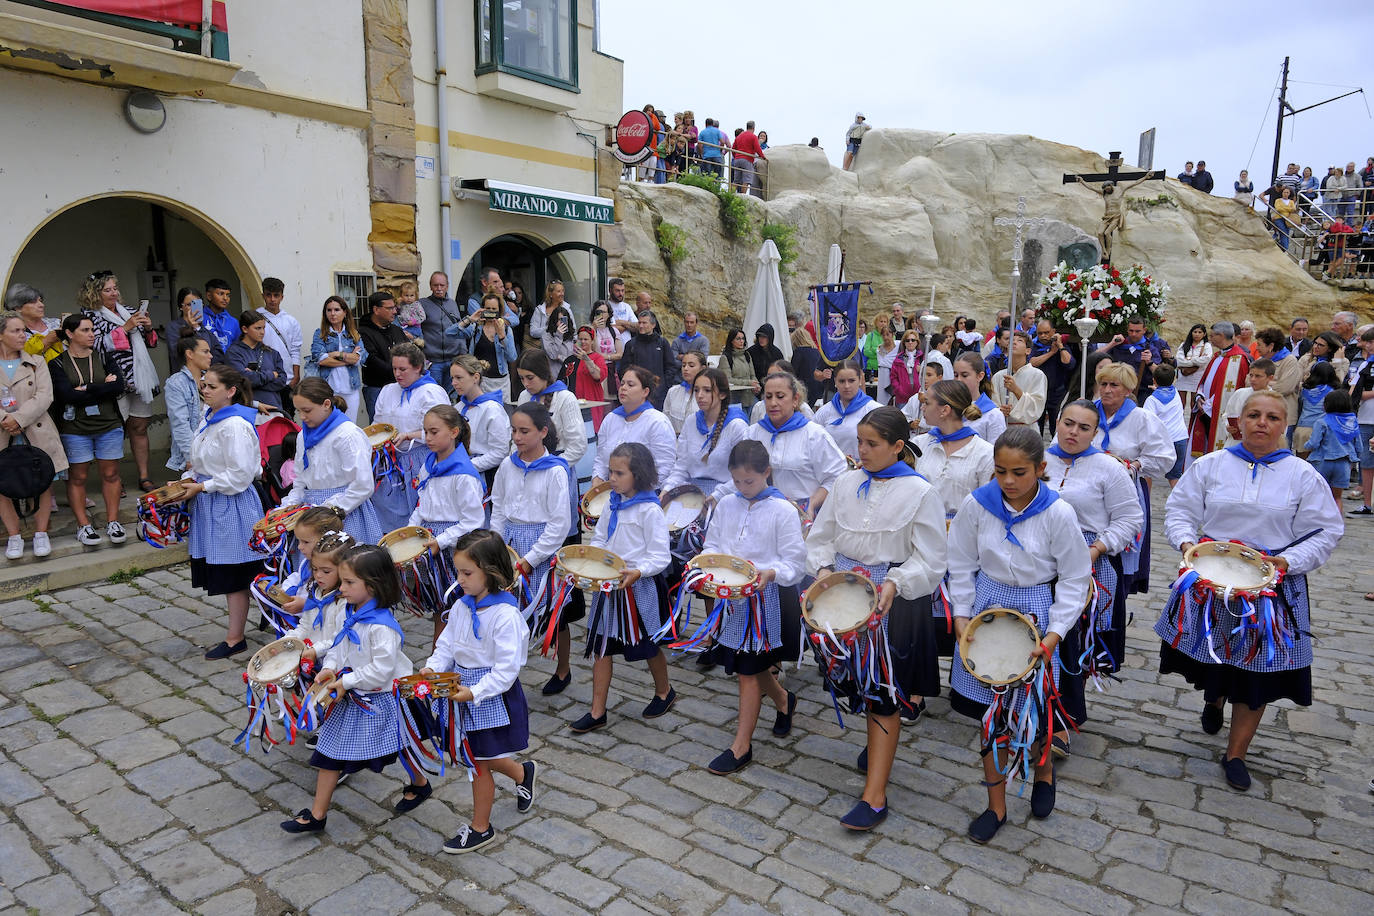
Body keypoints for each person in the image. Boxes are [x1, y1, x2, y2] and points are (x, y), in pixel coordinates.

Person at [1155, 390, 1342, 792]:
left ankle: (1236, 753)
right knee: (1217, 658)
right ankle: (1214, 698)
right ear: (1238, 422)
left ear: (1284, 426)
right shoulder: (1211, 465)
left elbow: (1326, 531)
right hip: (1212, 581)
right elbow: (1181, 510)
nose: (1262, 422)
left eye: (1272, 417)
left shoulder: (1302, 475)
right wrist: (1187, 544)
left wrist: (1287, 562)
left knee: (1256, 671)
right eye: (1253, 415)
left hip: (1270, 590)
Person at [948, 426, 1092, 843]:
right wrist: (961, 616)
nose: (1008, 482)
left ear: (1041, 469)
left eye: (1019, 472)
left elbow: (1074, 579)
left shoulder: (1059, 513)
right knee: (991, 716)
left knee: (1036, 709)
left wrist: (1054, 634)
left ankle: (1043, 771)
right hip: (986, 608)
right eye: (1000, 472)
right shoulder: (978, 505)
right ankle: (996, 806)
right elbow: (959, 562)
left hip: (1037, 611)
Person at [806, 407, 946, 828]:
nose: (861, 452)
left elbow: (932, 558)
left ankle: (875, 795)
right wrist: (825, 570)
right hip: (844, 597)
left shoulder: (922, 492)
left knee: (885, 689)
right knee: (860, 684)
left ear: (898, 447)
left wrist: (897, 582)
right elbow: (822, 536)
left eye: (872, 444)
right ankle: (875, 743)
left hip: (893, 602)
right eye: (859, 443)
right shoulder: (846, 482)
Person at [280, 545, 429, 833]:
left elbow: (381, 671)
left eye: (349, 582)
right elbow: (339, 645)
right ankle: (317, 815)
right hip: (354, 693)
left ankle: (421, 784)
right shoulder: (351, 612)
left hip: (383, 699)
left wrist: (345, 681)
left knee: (400, 747)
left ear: (372, 586)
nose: (342, 587)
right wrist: (329, 668)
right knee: (330, 752)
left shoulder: (381, 628)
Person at [420, 530, 537, 852]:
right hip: (460, 690)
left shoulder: (505, 616)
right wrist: (433, 666)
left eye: (467, 573)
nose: (459, 580)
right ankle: (522, 772)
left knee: (478, 763)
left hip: (489, 696)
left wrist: (474, 692)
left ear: (493, 572)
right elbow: (447, 645)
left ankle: (481, 828)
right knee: (476, 754)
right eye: (457, 572)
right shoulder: (461, 606)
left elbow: (507, 670)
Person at [701, 439, 806, 774]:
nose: (743, 488)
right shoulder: (727, 505)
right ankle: (783, 700)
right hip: (730, 598)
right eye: (737, 482)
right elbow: (713, 545)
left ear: (767, 473)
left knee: (746, 670)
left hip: (767, 601)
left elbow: (795, 565)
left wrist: (770, 572)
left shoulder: (783, 510)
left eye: (750, 481)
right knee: (750, 664)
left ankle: (741, 746)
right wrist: (705, 568)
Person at [1044, 401, 1144, 746]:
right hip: (1040, 560)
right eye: (1068, 423)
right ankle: (1032, 707)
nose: (1073, 432)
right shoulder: (1039, 459)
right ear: (1057, 422)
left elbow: (1131, 518)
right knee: (1042, 633)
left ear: (1095, 432)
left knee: (1075, 642)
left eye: (1083, 428)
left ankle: (1062, 718)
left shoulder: (1108, 468)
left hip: (1090, 564)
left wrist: (1095, 549)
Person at [571, 442, 676, 733]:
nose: (612, 479)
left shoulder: (650, 511)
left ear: (638, 475)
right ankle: (597, 711)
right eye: (610, 472)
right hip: (610, 587)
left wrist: (638, 570)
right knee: (602, 647)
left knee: (647, 646)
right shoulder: (611, 503)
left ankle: (665, 691)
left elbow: (660, 556)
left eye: (619, 473)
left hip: (638, 590)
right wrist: (596, 562)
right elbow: (600, 538)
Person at [174, 365, 263, 660]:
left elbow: (240, 475)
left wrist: (202, 487)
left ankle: (236, 638)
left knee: (235, 572)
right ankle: (266, 612)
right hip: (212, 502)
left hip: (232, 504)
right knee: (236, 571)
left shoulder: (235, 425)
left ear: (231, 391)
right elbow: (202, 462)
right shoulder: (209, 417)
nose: (205, 390)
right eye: (203, 385)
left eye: (211, 386)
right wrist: (187, 481)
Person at [1093, 362, 1175, 597]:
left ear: (1128, 390)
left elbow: (1164, 456)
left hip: (1126, 491)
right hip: (1089, 491)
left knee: (1118, 552)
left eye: (1114, 385)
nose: (1107, 390)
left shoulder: (1142, 419)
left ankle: (1115, 599)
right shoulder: (1087, 413)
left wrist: (1135, 465)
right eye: (1103, 384)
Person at [722, 372, 845, 525]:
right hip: (759, 514)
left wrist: (813, 503)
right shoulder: (753, 433)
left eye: (780, 396)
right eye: (768, 397)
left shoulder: (814, 435)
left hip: (803, 515)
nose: (773, 403)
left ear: (795, 400)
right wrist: (716, 497)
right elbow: (739, 475)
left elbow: (836, 477)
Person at [49, 314, 125, 547]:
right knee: (78, 476)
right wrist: (103, 386)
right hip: (75, 427)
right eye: (85, 330)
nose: (92, 334)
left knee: (110, 474)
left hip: (109, 424)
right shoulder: (58, 363)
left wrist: (88, 388)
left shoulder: (104, 356)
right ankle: (84, 525)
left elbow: (119, 387)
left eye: (93, 330)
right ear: (70, 334)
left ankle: (113, 521)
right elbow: (67, 395)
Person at [410, 405, 485, 641]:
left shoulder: (463, 474)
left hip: (453, 546)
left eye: (434, 432)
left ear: (454, 432)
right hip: (429, 540)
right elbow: (422, 505)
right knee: (439, 606)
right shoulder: (428, 464)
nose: (428, 438)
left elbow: (473, 520)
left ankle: (452, 654)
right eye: (425, 432)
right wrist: (410, 531)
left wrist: (440, 541)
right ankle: (440, 655)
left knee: (454, 605)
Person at [80, 271, 159, 492]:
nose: (114, 293)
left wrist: (148, 327)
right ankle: (114, 480)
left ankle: (144, 476)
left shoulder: (131, 311)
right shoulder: (90, 316)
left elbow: (151, 343)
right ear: (95, 293)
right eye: (107, 290)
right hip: (113, 377)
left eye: (115, 288)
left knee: (140, 426)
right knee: (116, 429)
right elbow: (94, 345)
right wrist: (125, 328)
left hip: (140, 376)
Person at [281, 378, 384, 543]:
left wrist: (328, 511)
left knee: (343, 563)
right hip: (311, 514)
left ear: (326, 404)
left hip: (343, 513)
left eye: (307, 410)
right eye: (298, 410)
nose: (302, 417)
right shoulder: (303, 436)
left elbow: (362, 485)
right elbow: (300, 479)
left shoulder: (347, 434)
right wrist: (290, 506)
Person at [0, 311, 64, 559]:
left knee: (42, 481)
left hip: (35, 430)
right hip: (4, 432)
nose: (22, 335)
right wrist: (5, 419)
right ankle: (14, 536)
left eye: (22, 330)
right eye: (15, 330)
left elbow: (45, 396)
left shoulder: (36, 361)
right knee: (3, 486)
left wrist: (19, 418)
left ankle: (41, 533)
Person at [369, 342, 448, 532]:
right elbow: (377, 423)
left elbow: (441, 430)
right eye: (395, 368)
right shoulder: (388, 390)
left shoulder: (431, 392)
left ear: (418, 367)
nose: (397, 374)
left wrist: (408, 435)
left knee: (418, 510)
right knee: (387, 509)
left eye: (403, 369)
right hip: (389, 461)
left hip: (419, 459)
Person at [913, 381, 995, 521]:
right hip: (920, 529)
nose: (922, 408)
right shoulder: (918, 445)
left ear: (945, 410)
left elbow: (988, 504)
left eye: (927, 403)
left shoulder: (984, 453)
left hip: (962, 533)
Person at [663, 368, 748, 493]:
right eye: (696, 390)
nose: (700, 395)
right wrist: (667, 488)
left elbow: (744, 473)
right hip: (692, 493)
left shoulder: (736, 426)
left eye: (707, 390)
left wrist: (717, 496)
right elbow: (681, 466)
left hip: (726, 494)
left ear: (722, 394)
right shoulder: (691, 421)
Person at [591, 366, 675, 488]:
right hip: (612, 492)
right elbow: (601, 458)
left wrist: (639, 493)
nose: (623, 388)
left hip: (644, 496)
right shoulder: (611, 418)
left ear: (645, 392)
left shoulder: (657, 422)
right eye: (622, 384)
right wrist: (597, 479)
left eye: (630, 385)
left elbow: (665, 468)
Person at [1189, 322, 1251, 458]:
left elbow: (1235, 390)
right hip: (1204, 409)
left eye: (1212, 336)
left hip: (1217, 413)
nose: (1209, 339)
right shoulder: (1217, 356)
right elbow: (1205, 381)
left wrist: (1209, 405)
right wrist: (1199, 396)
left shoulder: (1239, 359)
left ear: (1221, 335)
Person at [307, 296, 366, 421]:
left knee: (349, 424)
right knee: (328, 425)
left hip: (350, 388)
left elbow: (359, 359)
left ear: (345, 312)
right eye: (329, 310)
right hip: (329, 388)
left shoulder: (353, 334)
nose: (332, 314)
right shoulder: (320, 333)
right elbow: (321, 359)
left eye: (337, 310)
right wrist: (348, 359)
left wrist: (336, 354)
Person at [165, 335, 213, 477]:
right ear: (189, 354)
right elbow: (180, 424)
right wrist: (192, 456)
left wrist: (256, 405)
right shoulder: (176, 383)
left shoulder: (212, 377)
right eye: (205, 352)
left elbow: (229, 400)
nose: (210, 356)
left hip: (217, 445)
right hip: (196, 449)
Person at [359, 290, 409, 421]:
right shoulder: (363, 333)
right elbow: (371, 359)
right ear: (376, 309)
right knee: (380, 429)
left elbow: (409, 353)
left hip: (401, 387)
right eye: (390, 308)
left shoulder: (397, 330)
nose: (394, 311)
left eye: (395, 307)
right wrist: (397, 372)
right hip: (377, 388)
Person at [814, 360, 878, 460]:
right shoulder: (824, 412)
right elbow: (812, 442)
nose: (847, 386)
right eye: (842, 381)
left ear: (860, 380)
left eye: (851, 380)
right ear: (835, 382)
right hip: (831, 472)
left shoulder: (874, 410)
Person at [457, 292, 518, 395]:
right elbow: (450, 333)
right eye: (488, 308)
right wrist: (469, 319)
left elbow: (512, 357)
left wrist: (502, 336)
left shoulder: (506, 330)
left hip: (501, 382)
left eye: (494, 309)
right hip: (480, 381)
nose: (491, 312)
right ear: (482, 309)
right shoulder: (475, 328)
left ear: (500, 310)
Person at [226, 310, 289, 411]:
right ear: (245, 329)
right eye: (258, 328)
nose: (262, 332)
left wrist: (254, 382)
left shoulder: (273, 353)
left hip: (274, 410)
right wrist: (271, 375)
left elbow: (282, 381)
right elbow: (241, 381)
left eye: (264, 328)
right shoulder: (233, 353)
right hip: (247, 410)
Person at [1305, 390, 1360, 504]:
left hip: (1323, 462)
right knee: (1337, 499)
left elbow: (1314, 443)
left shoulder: (1322, 422)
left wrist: (1305, 445)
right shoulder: (1352, 423)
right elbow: (1359, 447)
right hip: (1344, 464)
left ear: (1327, 405)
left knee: (1319, 497)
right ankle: (1337, 521)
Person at [620, 310, 677, 408]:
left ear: (653, 325)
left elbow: (671, 367)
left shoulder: (662, 343)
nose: (641, 326)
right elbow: (624, 369)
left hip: (658, 394)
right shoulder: (631, 344)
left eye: (644, 323)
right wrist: (631, 386)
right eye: (639, 323)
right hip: (636, 394)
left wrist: (663, 386)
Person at [419, 271, 465, 394]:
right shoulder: (422, 304)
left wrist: (463, 354)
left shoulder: (452, 304)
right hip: (433, 362)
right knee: (434, 395)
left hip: (453, 360)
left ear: (447, 286)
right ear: (430, 286)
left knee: (451, 396)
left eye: (442, 285)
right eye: (435, 285)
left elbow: (459, 329)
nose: (439, 288)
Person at [1143, 364, 1189, 484]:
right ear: (1173, 379)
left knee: (1147, 471)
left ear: (1154, 380)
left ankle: (1146, 501)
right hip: (1180, 438)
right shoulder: (1177, 393)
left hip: (1163, 441)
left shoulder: (1151, 400)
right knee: (1175, 476)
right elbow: (1165, 390)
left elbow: (1148, 422)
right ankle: (1180, 502)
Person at [991, 331, 1047, 426]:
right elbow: (993, 404)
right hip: (1003, 427)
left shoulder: (1038, 375)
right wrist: (999, 411)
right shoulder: (998, 376)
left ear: (1028, 351)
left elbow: (1036, 407)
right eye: (1011, 340)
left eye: (1019, 340)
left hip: (1027, 429)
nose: (1014, 342)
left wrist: (1016, 390)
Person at [1029, 322, 1075, 433]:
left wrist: (1060, 346)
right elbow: (1032, 363)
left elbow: (1069, 363)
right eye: (1040, 333)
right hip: (1038, 392)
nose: (1043, 336)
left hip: (1057, 392)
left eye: (1046, 332)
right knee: (1037, 425)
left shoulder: (1061, 346)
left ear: (1053, 331)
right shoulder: (1034, 346)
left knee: (1056, 424)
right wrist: (1051, 353)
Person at [258, 277, 303, 389]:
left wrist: (296, 376)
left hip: (287, 378)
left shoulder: (291, 321)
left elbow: (295, 350)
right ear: (263, 296)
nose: (272, 299)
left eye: (276, 295)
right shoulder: (256, 317)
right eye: (268, 295)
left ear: (282, 297)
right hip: (263, 377)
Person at [953, 352, 1007, 443]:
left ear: (980, 376)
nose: (959, 380)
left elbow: (996, 452)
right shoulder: (947, 408)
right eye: (956, 375)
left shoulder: (993, 414)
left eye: (964, 375)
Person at [527, 281, 576, 379]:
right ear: (550, 294)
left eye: (563, 291)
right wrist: (552, 329)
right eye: (558, 291)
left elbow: (573, 330)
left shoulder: (567, 308)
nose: (562, 293)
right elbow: (533, 331)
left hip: (565, 354)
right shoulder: (540, 310)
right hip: (547, 352)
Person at [167, 287, 223, 372]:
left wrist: (197, 328)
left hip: (206, 378)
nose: (193, 308)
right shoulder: (173, 327)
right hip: (183, 376)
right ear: (181, 307)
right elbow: (178, 353)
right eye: (189, 304)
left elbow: (218, 354)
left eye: (197, 304)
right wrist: (193, 329)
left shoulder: (203, 328)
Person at [1222, 359, 1274, 447]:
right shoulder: (1240, 393)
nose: (1253, 379)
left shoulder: (1275, 399)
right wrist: (1228, 427)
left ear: (1270, 378)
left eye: (1258, 376)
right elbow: (1226, 416)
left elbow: (1279, 427)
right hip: (1235, 444)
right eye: (1251, 375)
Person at [6, 283, 62, 363]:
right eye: (33, 302)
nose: (41, 305)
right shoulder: (13, 332)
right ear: (18, 307)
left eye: (40, 301)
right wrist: (49, 339)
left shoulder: (57, 323)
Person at [1294, 361, 1339, 457]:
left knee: (1302, 466)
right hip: (1324, 430)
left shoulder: (1304, 390)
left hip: (1303, 429)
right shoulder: (1333, 392)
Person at [571, 326, 610, 430]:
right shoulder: (571, 359)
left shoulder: (598, 358)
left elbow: (598, 376)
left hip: (591, 401)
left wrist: (586, 358)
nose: (583, 342)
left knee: (591, 431)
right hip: (574, 402)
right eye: (580, 339)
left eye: (586, 339)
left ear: (592, 341)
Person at [1174, 323, 1212, 413]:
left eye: (1200, 332)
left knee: (1194, 401)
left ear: (1204, 334)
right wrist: (1195, 361)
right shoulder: (1184, 345)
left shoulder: (1207, 346)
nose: (1197, 334)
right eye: (1195, 332)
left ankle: (1193, 423)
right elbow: (1179, 360)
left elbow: (1205, 359)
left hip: (1198, 376)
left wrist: (1189, 360)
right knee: (1180, 401)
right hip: (1183, 376)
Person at [663, 350, 704, 434]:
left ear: (702, 368)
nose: (685, 369)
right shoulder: (673, 391)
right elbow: (665, 419)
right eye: (683, 365)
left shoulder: (709, 394)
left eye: (691, 365)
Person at [721, 327, 759, 410]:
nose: (742, 341)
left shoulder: (747, 355)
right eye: (738, 339)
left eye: (743, 339)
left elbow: (752, 375)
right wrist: (748, 383)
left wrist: (756, 385)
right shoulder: (726, 357)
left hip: (750, 397)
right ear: (731, 341)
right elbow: (728, 379)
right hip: (735, 399)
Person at [200, 278, 240, 354]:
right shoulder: (199, 318)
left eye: (228, 295)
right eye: (220, 294)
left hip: (227, 364)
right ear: (209, 296)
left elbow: (237, 348)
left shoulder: (233, 322)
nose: (225, 298)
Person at [788, 327, 825, 405]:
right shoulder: (816, 351)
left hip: (804, 388)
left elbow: (793, 372)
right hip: (817, 389)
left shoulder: (798, 351)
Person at [888, 330, 923, 408]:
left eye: (913, 340)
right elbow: (893, 378)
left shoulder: (922, 358)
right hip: (902, 398)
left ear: (917, 342)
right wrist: (899, 390)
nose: (910, 342)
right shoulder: (898, 359)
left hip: (918, 397)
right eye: (907, 340)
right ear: (904, 343)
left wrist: (922, 370)